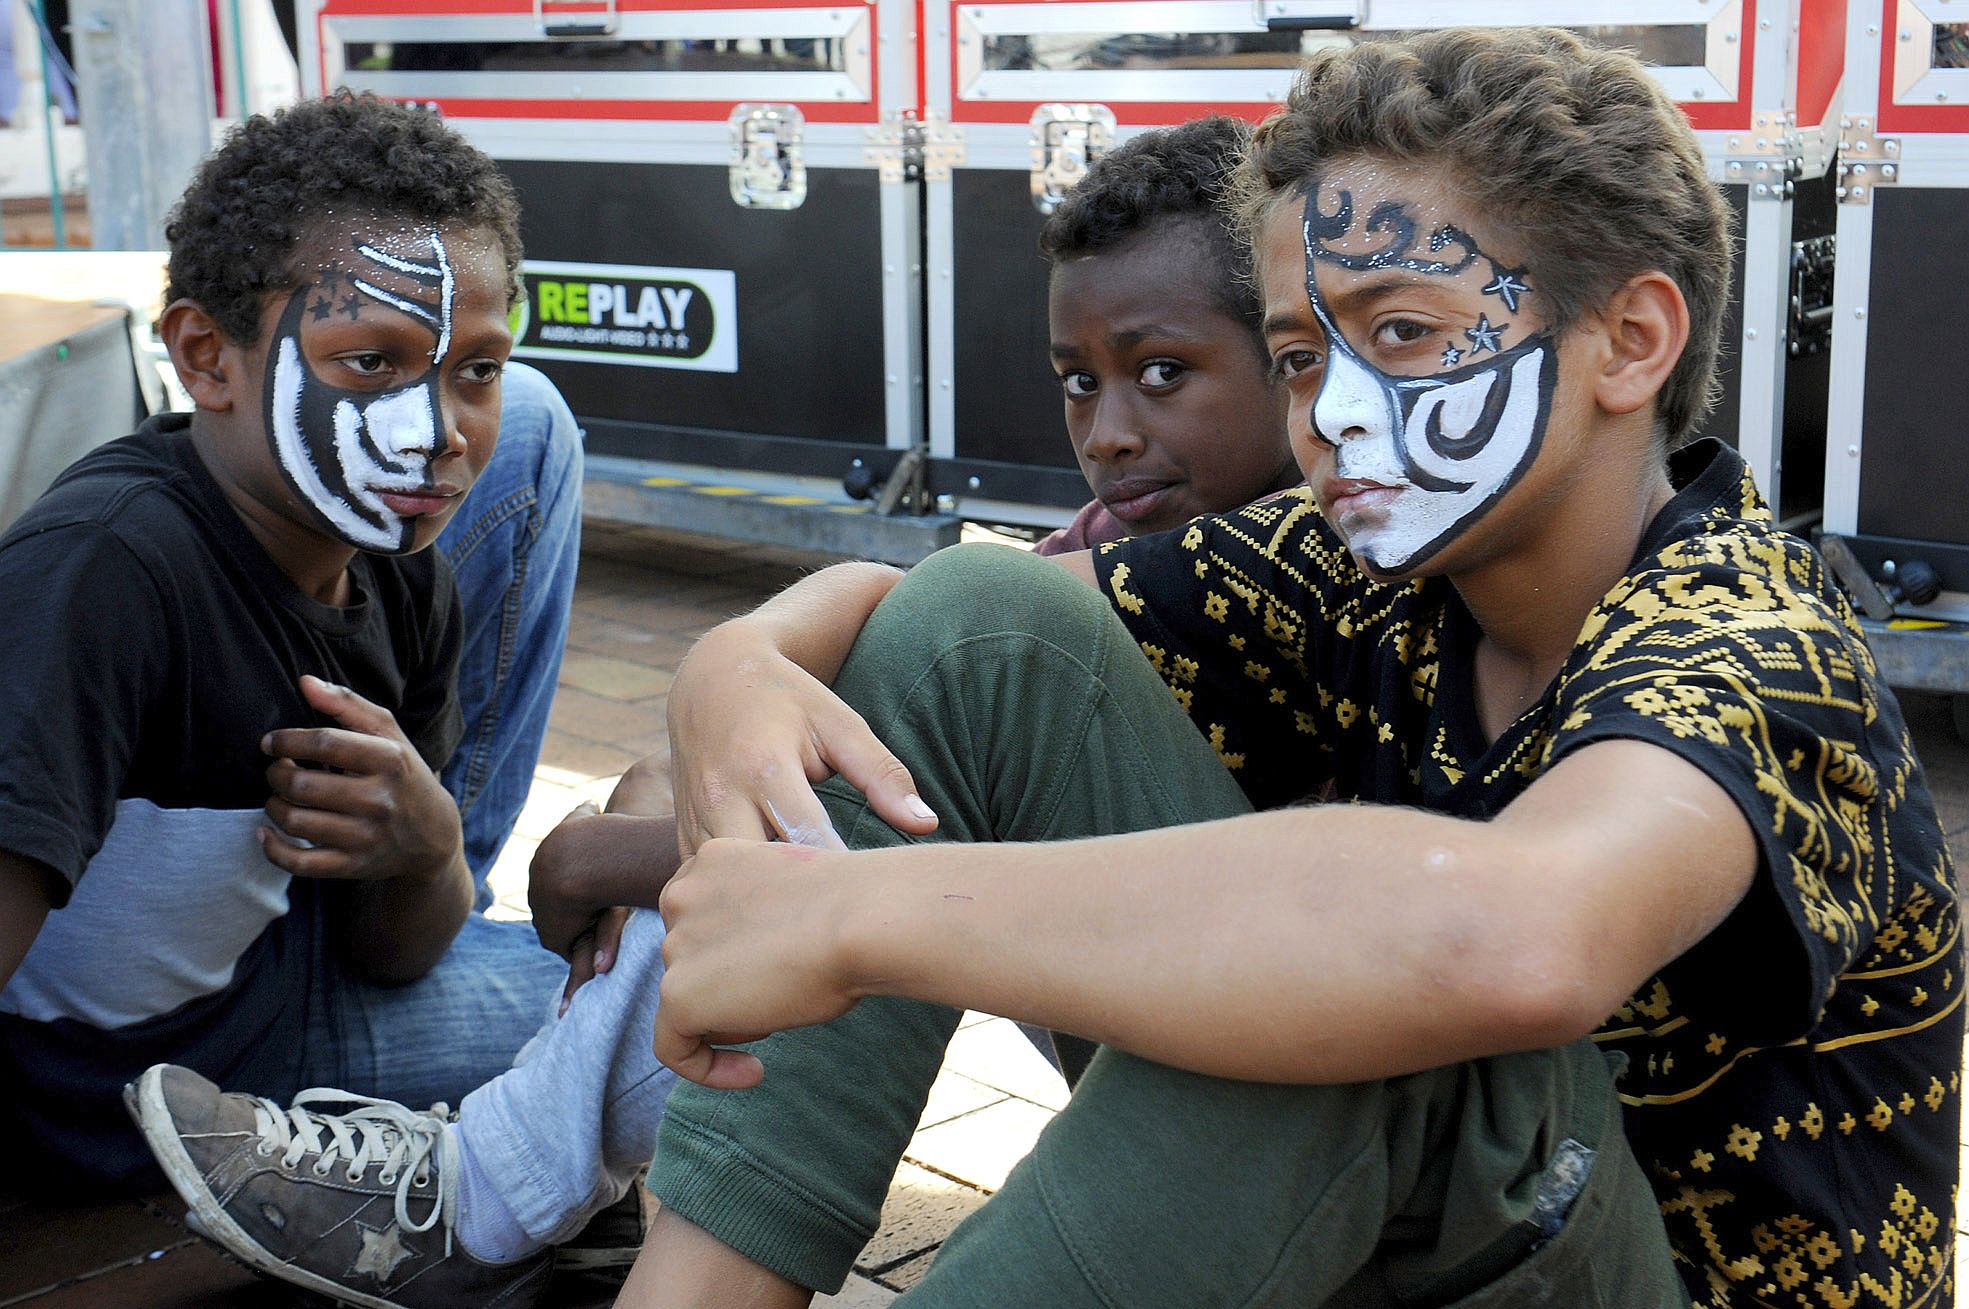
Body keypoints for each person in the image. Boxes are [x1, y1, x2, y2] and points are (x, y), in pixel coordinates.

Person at [621, 28, 1959, 1308]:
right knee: (980, 631)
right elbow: (960, 625)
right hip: (1404, 1246)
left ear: (1633, 339)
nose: (1332, 419)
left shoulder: (1754, 635)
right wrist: (730, 667)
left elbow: (1501, 938)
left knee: (1382, 998)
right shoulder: (1361, 565)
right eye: (1304, 357)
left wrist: (857, 921)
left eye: (1408, 334)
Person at [0, 91, 652, 1307]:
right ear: (207, 356)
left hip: (273, 983)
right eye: (372, 365)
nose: (438, 433)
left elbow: (399, 955)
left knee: (719, 978)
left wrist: (426, 846)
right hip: (116, 1099)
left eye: (476, 372)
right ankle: (491, 1190)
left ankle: (522, 1177)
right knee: (686, 1017)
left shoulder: (400, 573)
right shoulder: (107, 567)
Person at [1032, 114, 1296, 556]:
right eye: (1081, 382)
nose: (1105, 439)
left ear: (1290, 359)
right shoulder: (1108, 534)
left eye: (1161, 372)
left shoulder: (1355, 560)